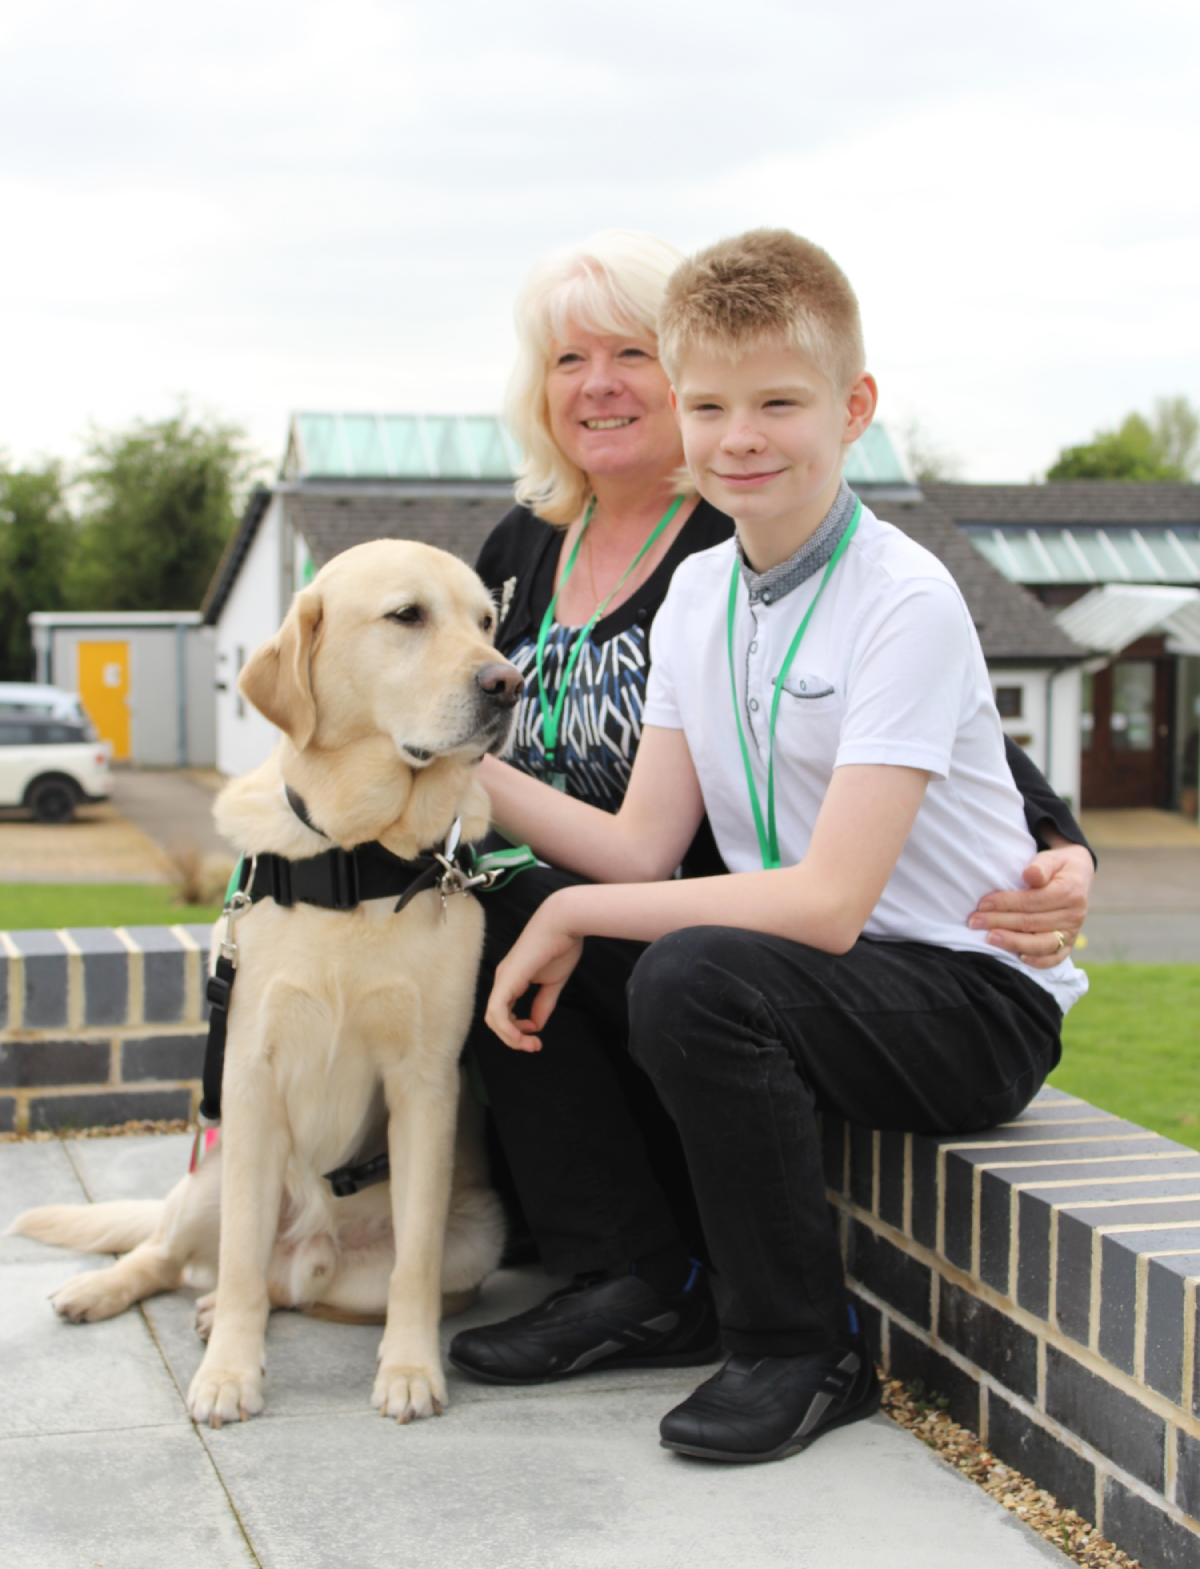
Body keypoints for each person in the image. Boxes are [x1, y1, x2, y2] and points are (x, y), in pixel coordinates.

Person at [450, 229, 1089, 1464]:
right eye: (712, 407)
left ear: (855, 410)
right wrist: (476, 797)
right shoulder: (704, 592)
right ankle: (640, 1285)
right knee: (509, 904)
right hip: (819, 979)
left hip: (966, 998)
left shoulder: (904, 600)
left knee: (694, 965)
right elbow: (640, 852)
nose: (740, 437)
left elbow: (834, 905)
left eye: (779, 403)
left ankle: (804, 1349)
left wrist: (577, 916)